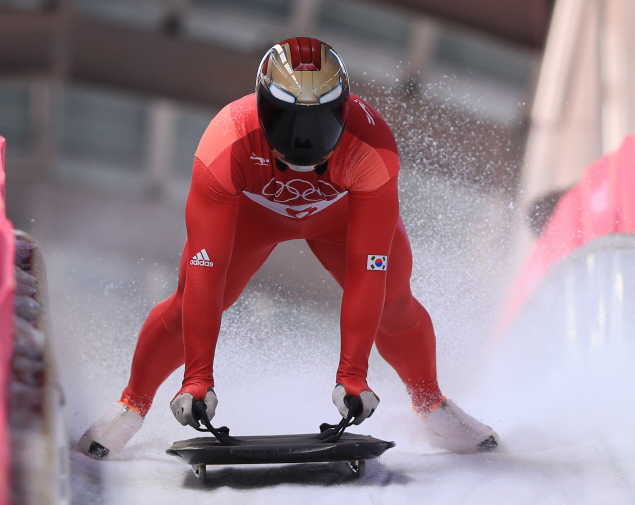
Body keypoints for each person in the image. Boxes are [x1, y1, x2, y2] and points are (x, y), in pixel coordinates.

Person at [78, 37, 499, 459]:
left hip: (341, 217)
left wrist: (353, 375)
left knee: (393, 299)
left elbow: (368, 269)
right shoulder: (225, 143)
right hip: (251, 218)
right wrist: (196, 379)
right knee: (199, 294)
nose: (303, 142)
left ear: (344, 110)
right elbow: (207, 269)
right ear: (263, 109)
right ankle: (132, 404)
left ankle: (431, 402)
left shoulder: (373, 148)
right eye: (289, 123)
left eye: (320, 125)